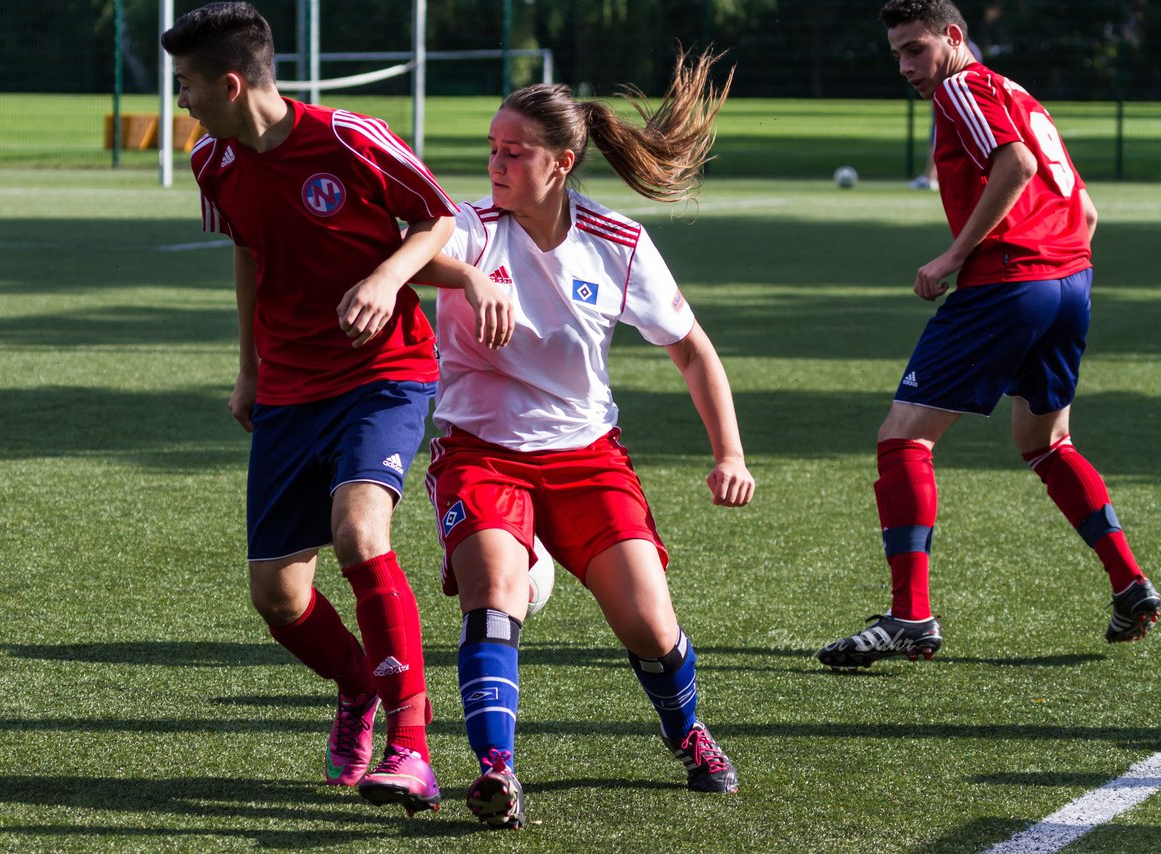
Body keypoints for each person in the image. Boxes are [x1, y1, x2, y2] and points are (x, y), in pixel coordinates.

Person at [161, 1, 510, 815]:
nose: (180, 101)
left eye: (185, 85)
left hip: (383, 373)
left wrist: (388, 279)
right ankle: (358, 683)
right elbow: (248, 254)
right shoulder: (213, 160)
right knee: (276, 598)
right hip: (287, 387)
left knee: (359, 531)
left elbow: (438, 218)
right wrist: (247, 371)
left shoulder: (351, 137)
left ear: (231, 82)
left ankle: (412, 746)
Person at [415, 49, 754, 829]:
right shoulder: (469, 226)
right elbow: (411, 256)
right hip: (480, 449)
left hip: (586, 456)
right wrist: (470, 278)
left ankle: (689, 733)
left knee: (648, 626)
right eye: (492, 150)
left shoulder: (616, 241)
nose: (496, 164)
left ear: (562, 162)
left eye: (515, 153)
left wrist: (729, 453)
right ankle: (497, 770)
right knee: (493, 595)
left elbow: (693, 349)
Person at [817, 0, 1158, 671]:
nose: (907, 66)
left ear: (953, 36)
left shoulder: (961, 87)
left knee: (903, 436)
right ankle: (1130, 583)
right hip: (1069, 283)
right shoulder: (1018, 93)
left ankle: (911, 617)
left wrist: (953, 258)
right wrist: (1056, 273)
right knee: (1045, 442)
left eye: (916, 48)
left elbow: (1017, 165)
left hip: (1010, 284)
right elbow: (1084, 211)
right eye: (898, 54)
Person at [908, 36, 981, 191]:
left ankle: (931, 177)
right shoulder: (967, 47)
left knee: (941, 139)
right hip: (950, 99)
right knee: (940, 139)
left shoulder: (960, 48)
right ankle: (932, 176)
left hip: (955, 100)